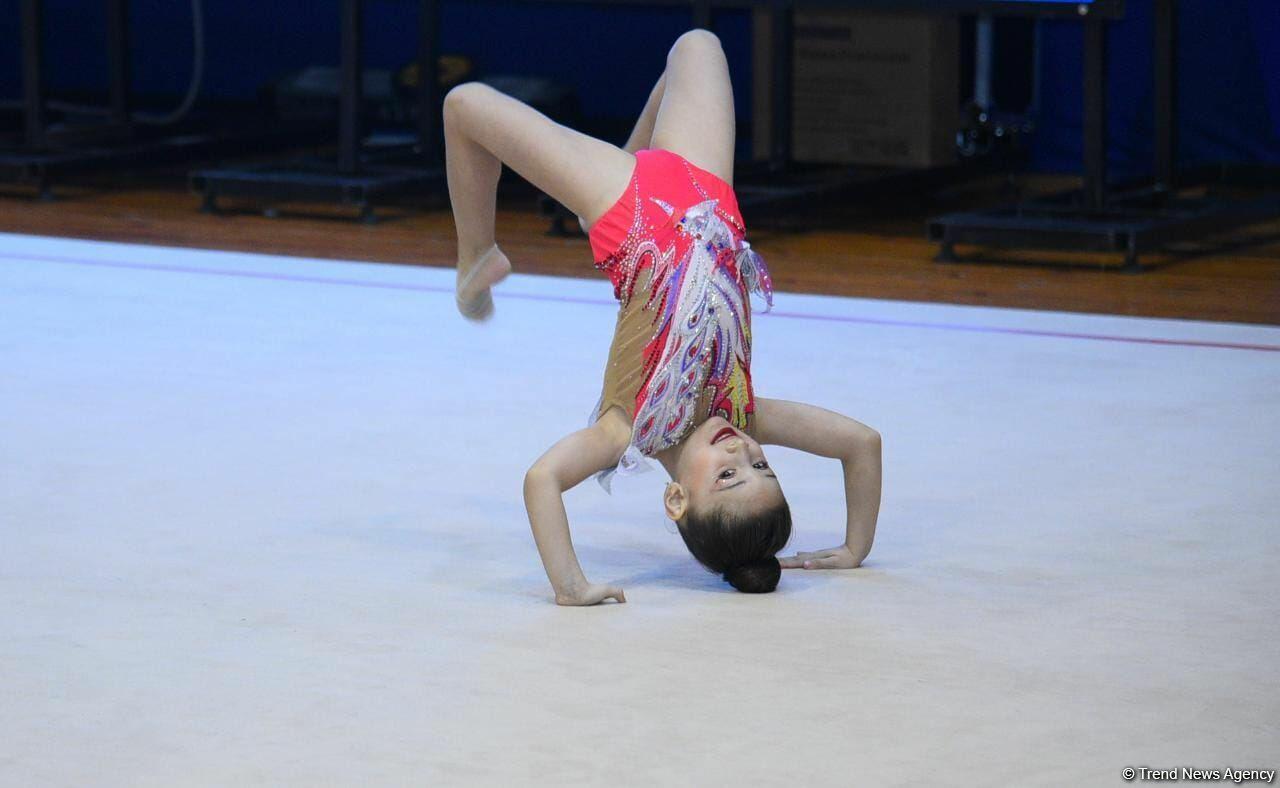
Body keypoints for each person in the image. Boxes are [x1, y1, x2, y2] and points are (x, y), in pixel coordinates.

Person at [444, 29, 882, 605]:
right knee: (697, 43)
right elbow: (862, 443)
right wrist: (855, 546)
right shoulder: (744, 414)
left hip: (630, 210)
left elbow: (542, 480)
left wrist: (570, 585)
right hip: (707, 196)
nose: (741, 452)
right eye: (763, 466)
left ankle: (478, 255)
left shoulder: (623, 431)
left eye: (727, 476)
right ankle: (627, 153)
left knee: (463, 106)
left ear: (677, 499)